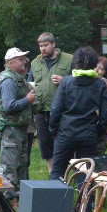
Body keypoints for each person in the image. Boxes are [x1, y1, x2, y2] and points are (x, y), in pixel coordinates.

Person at [48, 47, 107, 181]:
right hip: (88, 134)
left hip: (65, 134)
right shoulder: (100, 84)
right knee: (85, 176)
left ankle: (56, 195)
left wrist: (53, 130)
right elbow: (106, 114)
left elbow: (56, 109)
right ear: (94, 64)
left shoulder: (66, 82)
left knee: (57, 173)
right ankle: (85, 195)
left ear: (76, 62)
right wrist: (98, 132)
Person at [0, 48, 36, 199]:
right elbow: (8, 106)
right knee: (10, 167)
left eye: (24, 58)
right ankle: (8, 200)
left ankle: (21, 199)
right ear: (11, 63)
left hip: (19, 128)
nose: (24, 61)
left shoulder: (17, 78)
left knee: (22, 164)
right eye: (20, 59)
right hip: (10, 130)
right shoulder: (8, 81)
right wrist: (27, 100)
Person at [28, 32, 73, 172]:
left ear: (53, 44)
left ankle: (70, 173)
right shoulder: (34, 63)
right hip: (41, 110)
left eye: (45, 45)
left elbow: (79, 81)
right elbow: (30, 84)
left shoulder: (69, 59)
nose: (43, 48)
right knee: (46, 145)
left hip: (63, 110)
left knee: (66, 143)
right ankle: (52, 174)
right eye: (40, 46)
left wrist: (65, 80)